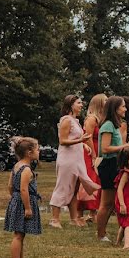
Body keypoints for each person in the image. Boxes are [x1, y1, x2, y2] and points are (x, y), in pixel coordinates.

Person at [49, 94, 99, 228]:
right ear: (71, 105)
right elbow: (62, 141)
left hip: (77, 159)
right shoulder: (66, 120)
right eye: (79, 103)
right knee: (63, 186)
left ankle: (73, 218)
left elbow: (75, 138)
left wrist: (84, 145)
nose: (82, 105)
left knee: (75, 188)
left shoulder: (75, 121)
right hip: (67, 159)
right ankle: (55, 219)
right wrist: (80, 141)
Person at [97, 96, 129, 242]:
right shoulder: (108, 125)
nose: (125, 109)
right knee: (106, 203)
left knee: (110, 204)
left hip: (115, 164)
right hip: (108, 165)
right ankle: (101, 234)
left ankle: (104, 232)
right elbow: (105, 148)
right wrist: (126, 145)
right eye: (123, 106)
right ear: (115, 108)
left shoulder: (115, 125)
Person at [4, 137, 41, 258]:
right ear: (29, 153)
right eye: (37, 149)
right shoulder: (26, 169)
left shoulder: (16, 166)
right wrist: (27, 208)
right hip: (23, 204)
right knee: (18, 235)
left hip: (16, 201)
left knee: (20, 234)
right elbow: (24, 189)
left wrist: (14, 198)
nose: (39, 151)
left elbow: (10, 186)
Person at [77, 93, 106, 223]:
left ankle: (92, 212)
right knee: (88, 180)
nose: (107, 102)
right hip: (89, 152)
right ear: (98, 103)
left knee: (96, 181)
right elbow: (87, 136)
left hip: (97, 152)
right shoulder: (91, 119)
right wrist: (94, 155)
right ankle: (79, 212)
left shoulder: (101, 119)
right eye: (105, 100)